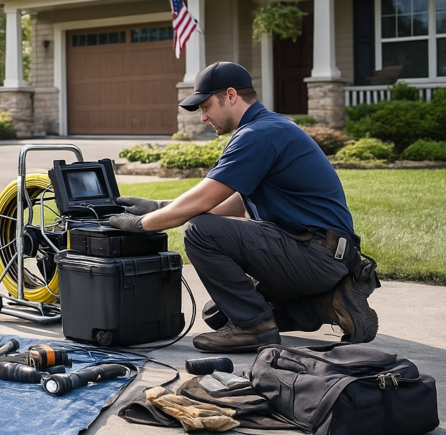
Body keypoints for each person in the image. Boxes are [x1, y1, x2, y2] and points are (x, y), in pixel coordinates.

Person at [106, 61, 379, 353]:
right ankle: (333, 304)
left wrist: (141, 224)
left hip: (316, 255)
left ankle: (254, 329)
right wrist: (161, 205)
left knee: (200, 231)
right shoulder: (270, 126)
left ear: (231, 95)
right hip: (326, 255)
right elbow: (237, 204)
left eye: (206, 105)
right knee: (219, 313)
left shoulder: (257, 135)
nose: (203, 117)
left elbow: (205, 199)